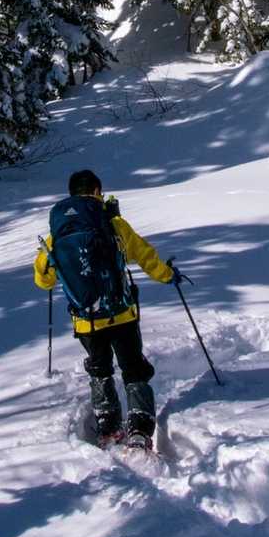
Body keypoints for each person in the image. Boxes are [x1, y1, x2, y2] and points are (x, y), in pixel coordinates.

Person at [34, 168, 177, 450]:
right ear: (98, 191)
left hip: (86, 319)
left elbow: (43, 280)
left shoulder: (58, 234)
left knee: (100, 370)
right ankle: (139, 429)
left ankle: (109, 427)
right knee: (133, 368)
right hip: (121, 313)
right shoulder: (114, 223)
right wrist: (168, 275)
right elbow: (144, 255)